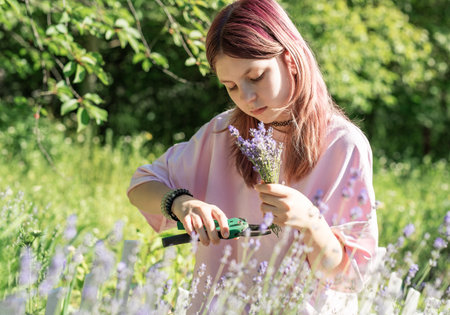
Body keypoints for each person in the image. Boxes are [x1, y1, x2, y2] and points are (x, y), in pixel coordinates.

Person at [127, 0, 378, 313]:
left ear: (291, 59)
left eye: (256, 76)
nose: (246, 97)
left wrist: (311, 222)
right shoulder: (223, 133)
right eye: (230, 86)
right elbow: (141, 186)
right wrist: (180, 203)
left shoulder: (343, 146)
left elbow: (347, 276)